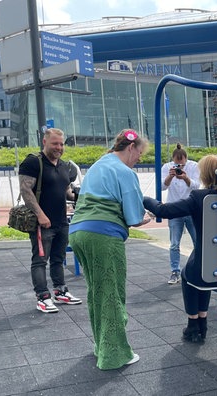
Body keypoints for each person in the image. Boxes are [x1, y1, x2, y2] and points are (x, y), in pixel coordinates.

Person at [144, 154, 217, 343]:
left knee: (188, 273)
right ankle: (202, 323)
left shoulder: (198, 197)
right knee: (201, 269)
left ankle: (195, 324)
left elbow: (163, 210)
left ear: (205, 176)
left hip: (204, 269)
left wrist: (143, 197)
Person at [68, 129, 150, 370]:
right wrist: (145, 217)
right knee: (111, 292)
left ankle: (101, 345)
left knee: (96, 291)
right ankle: (114, 354)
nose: (139, 159)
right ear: (131, 148)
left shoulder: (98, 165)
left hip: (78, 232)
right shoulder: (125, 172)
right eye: (139, 154)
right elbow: (134, 216)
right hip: (103, 234)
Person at [18, 127, 81, 314]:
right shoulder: (33, 162)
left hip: (61, 221)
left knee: (58, 258)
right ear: (45, 142)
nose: (59, 147)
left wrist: (79, 196)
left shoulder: (63, 166)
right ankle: (43, 297)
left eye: (61, 144)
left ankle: (60, 291)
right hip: (42, 223)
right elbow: (25, 190)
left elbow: (66, 192)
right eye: (55, 143)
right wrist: (40, 215)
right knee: (40, 260)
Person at [160, 143, 199, 284]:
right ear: (173, 161)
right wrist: (170, 176)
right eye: (177, 164)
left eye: (181, 164)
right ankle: (175, 271)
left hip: (190, 208)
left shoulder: (193, 166)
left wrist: (185, 178)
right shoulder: (166, 167)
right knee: (174, 244)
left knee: (198, 241)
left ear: (186, 159)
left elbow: (196, 185)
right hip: (174, 207)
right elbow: (162, 187)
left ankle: (197, 267)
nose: (179, 167)